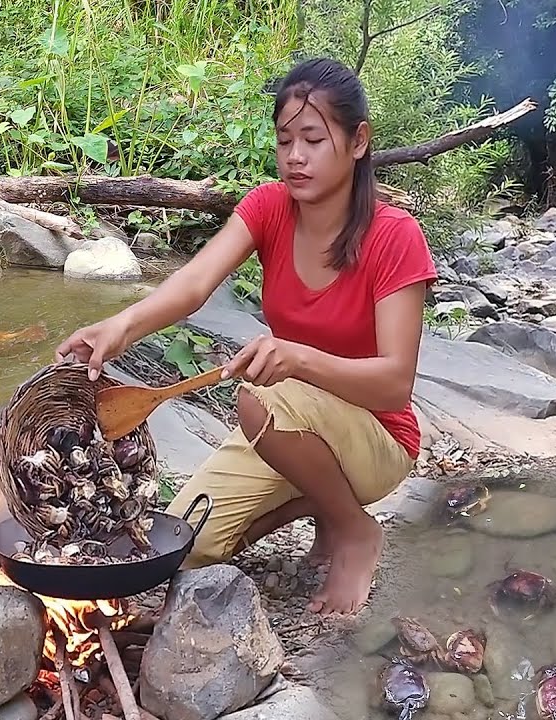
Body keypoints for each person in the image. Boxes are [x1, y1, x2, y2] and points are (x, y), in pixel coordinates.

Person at [55, 57, 438, 616]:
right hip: (289, 425)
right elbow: (192, 284)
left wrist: (299, 359)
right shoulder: (268, 207)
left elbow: (394, 386)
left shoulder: (394, 236)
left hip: (374, 437)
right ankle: (317, 502)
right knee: (183, 545)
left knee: (260, 399)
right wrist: (119, 328)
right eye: (285, 140)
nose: (295, 157)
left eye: (312, 138)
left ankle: (354, 529)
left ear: (358, 142)